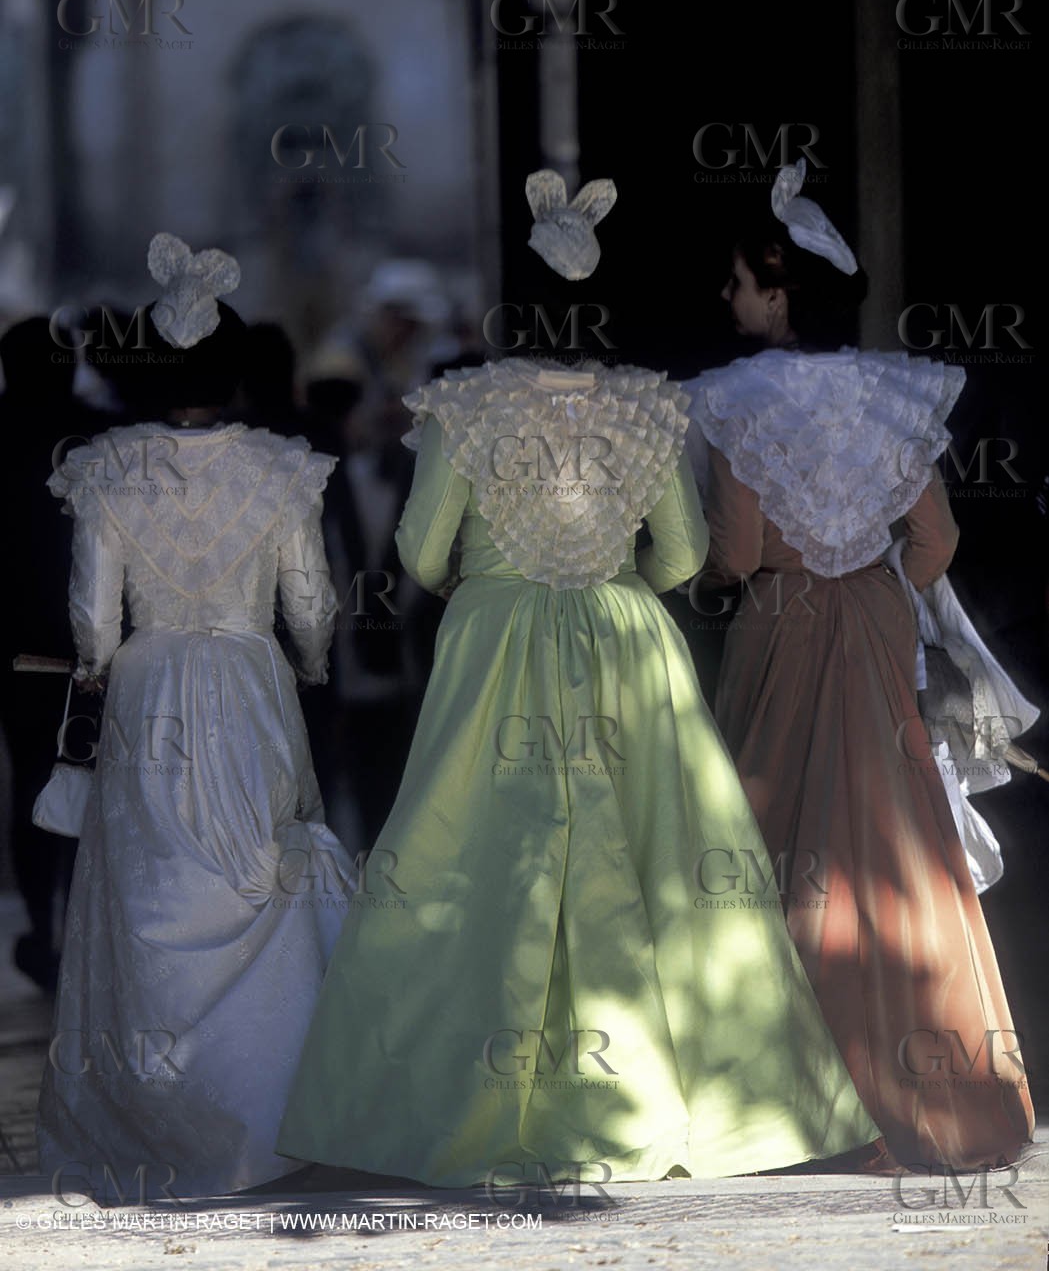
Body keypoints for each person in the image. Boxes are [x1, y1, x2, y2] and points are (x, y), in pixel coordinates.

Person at [277, 171, 878, 1187]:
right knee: (656, 862)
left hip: (496, 641)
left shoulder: (463, 406)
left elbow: (422, 554)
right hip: (624, 634)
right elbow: (684, 558)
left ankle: (463, 1102)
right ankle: (681, 1098)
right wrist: (611, 583)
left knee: (473, 860)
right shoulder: (648, 406)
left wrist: (499, 576)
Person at [683, 160, 1035, 1170]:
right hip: (875, 622)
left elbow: (736, 554)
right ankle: (937, 1081)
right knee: (894, 835)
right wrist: (875, 581)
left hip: (782, 623)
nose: (726, 297)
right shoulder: (889, 395)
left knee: (775, 824)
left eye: (737, 283)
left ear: (778, 288)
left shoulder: (736, 400)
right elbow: (934, 540)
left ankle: (787, 1095)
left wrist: (719, 585)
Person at [37, 234, 355, 1201]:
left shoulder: (107, 469)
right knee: (262, 881)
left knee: (148, 902)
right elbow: (311, 600)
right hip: (250, 689)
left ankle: (166, 1115)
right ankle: (277, 1114)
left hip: (148, 692)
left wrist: (99, 671)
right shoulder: (279, 469)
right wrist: (304, 664)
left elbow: (93, 616)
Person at [0, 318, 103, 989]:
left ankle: (42, 924)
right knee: (92, 786)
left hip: (11, 653)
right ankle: (86, 927)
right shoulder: (100, 435)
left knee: (29, 782)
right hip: (89, 646)